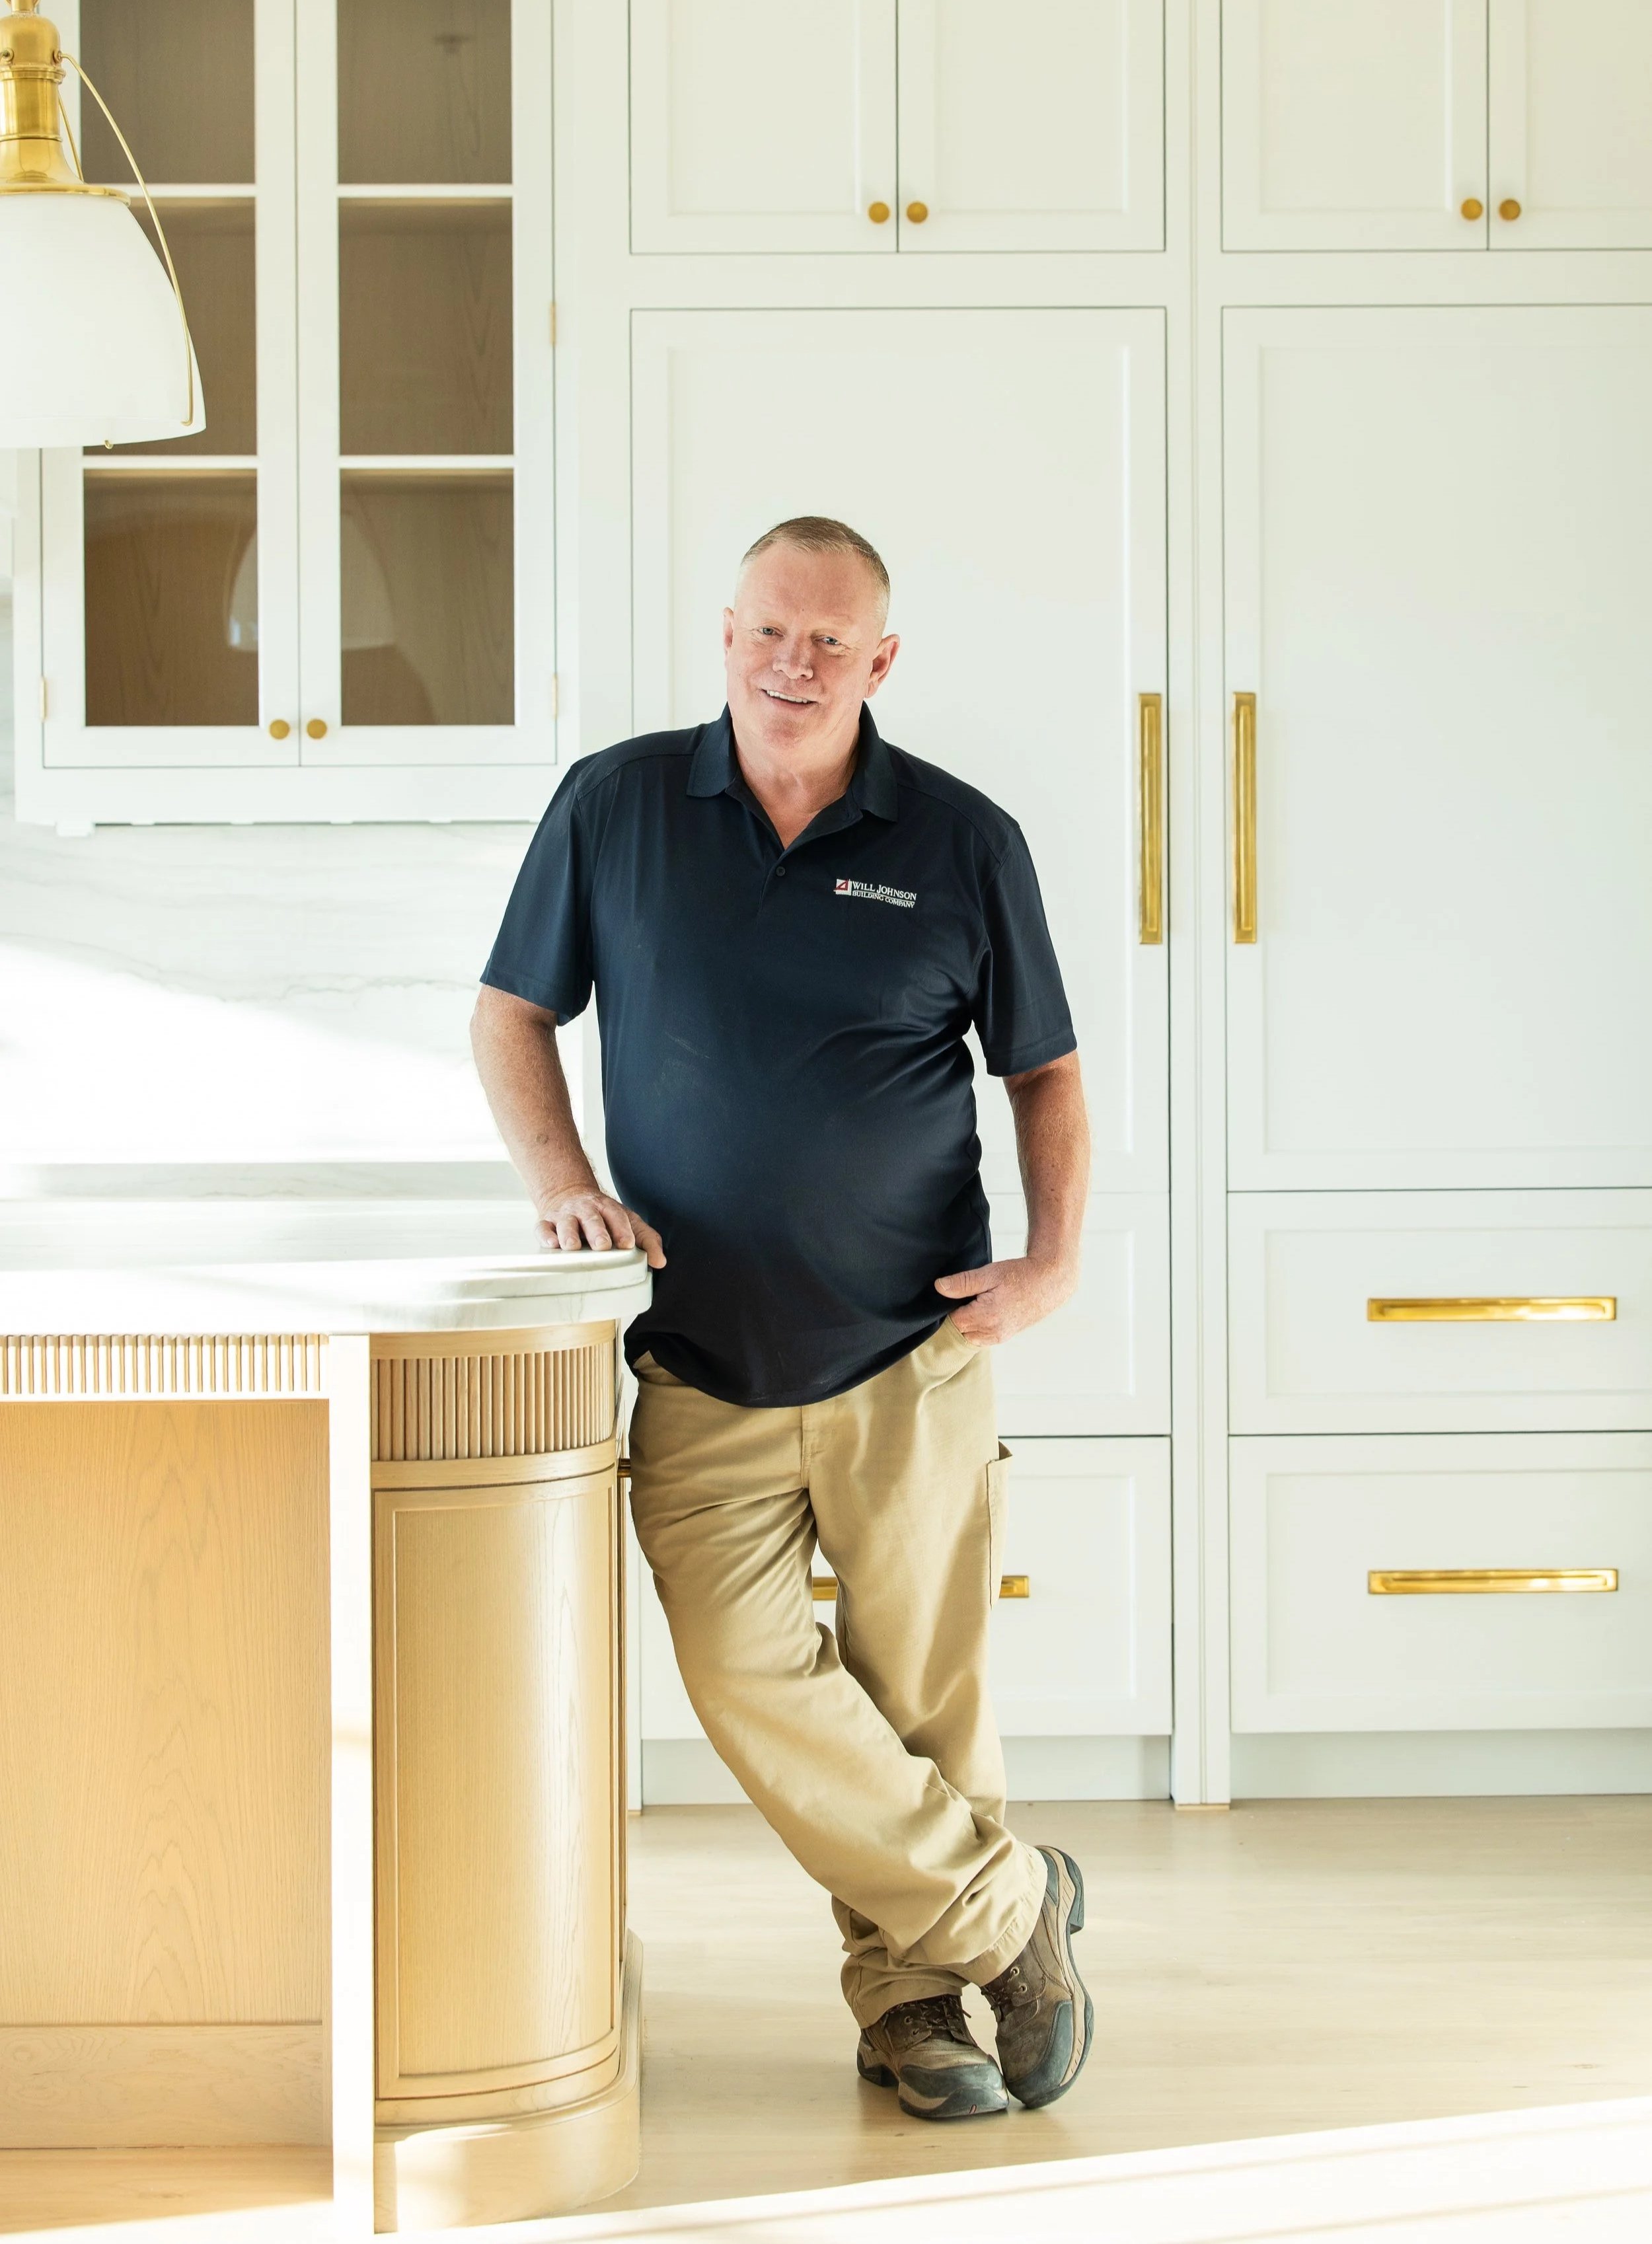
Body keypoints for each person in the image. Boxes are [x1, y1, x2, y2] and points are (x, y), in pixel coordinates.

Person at [471, 516, 1092, 2122]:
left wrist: (1052, 1259)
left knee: (922, 1704)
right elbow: (511, 1011)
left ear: (880, 660)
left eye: (828, 640)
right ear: (725, 631)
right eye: (768, 628)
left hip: (911, 1348)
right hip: (701, 1358)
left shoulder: (962, 838)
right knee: (745, 1675)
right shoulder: (615, 805)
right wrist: (560, 1177)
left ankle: (913, 2010)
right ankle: (1007, 1912)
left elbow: (1042, 1071)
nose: (791, 663)